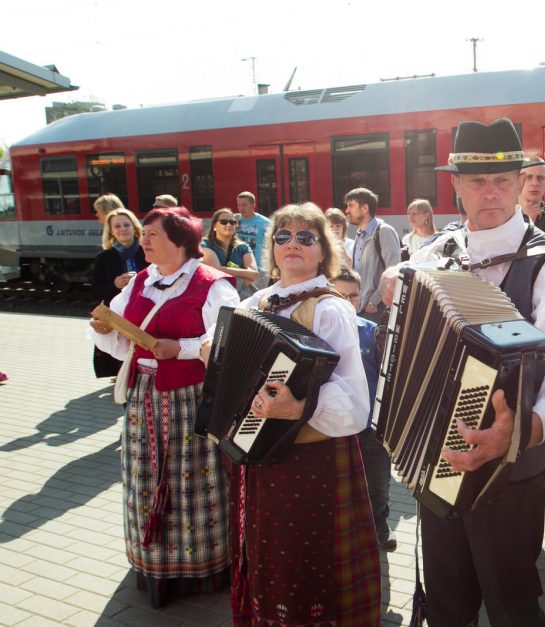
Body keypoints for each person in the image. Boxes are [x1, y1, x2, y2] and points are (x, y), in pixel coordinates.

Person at [407, 118, 545, 626]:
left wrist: (528, 428)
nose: (490, 193)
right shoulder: (429, 256)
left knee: (512, 604)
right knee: (447, 601)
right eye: (476, 182)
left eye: (502, 181)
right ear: (456, 187)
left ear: (518, 184)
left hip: (510, 472)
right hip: (435, 456)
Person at [213, 203, 380, 625]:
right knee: (267, 551)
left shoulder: (330, 309)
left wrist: (300, 408)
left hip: (313, 460)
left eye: (306, 238)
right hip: (258, 455)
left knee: (309, 559)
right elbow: (220, 346)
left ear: (322, 250)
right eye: (282, 237)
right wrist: (207, 351)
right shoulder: (258, 301)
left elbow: (356, 404)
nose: (293, 244)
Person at [88, 206, 239, 608]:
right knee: (144, 477)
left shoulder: (212, 284)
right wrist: (104, 329)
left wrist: (183, 349)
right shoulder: (141, 280)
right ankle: (153, 563)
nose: (144, 240)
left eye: (153, 234)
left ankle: (202, 567)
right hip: (143, 397)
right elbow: (124, 342)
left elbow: (227, 341)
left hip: (192, 398)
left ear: (181, 240)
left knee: (192, 480)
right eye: (145, 234)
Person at [332, 266, 396, 551]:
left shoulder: (373, 332)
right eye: (340, 295)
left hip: (371, 425)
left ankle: (380, 524)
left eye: (354, 296)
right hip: (333, 427)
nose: (348, 302)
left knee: (378, 482)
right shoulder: (318, 331)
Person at [91, 208, 147, 378]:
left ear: (135, 228)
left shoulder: (147, 251)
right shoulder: (104, 257)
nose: (122, 229)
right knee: (122, 349)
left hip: (145, 309)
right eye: (117, 226)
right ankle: (123, 376)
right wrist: (114, 284)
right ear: (112, 232)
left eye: (126, 225)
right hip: (117, 313)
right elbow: (95, 289)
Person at [344, 187, 401, 322]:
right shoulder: (359, 235)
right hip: (360, 307)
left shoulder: (384, 231)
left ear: (364, 208)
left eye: (350, 206)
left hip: (377, 309)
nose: (347, 211)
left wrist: (374, 301)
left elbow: (394, 271)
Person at [200, 208, 260, 299]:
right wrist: (245, 273)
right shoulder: (205, 245)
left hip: (238, 297)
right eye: (224, 222)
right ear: (214, 226)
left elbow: (254, 273)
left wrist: (228, 275)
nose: (229, 224)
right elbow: (215, 269)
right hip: (213, 297)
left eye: (233, 222)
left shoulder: (243, 247)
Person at [235, 191, 271, 269]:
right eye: (239, 205)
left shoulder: (265, 223)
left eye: (244, 205)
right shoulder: (234, 220)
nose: (241, 208)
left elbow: (273, 244)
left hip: (259, 268)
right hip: (239, 268)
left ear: (253, 205)